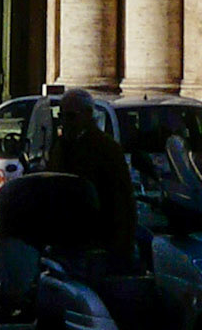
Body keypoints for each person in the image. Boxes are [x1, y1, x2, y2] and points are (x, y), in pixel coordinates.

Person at [48, 89, 138, 268]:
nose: (66, 122)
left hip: (97, 237)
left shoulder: (106, 148)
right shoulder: (60, 147)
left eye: (71, 116)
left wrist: (120, 243)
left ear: (88, 115)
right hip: (65, 236)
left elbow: (122, 197)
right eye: (62, 116)